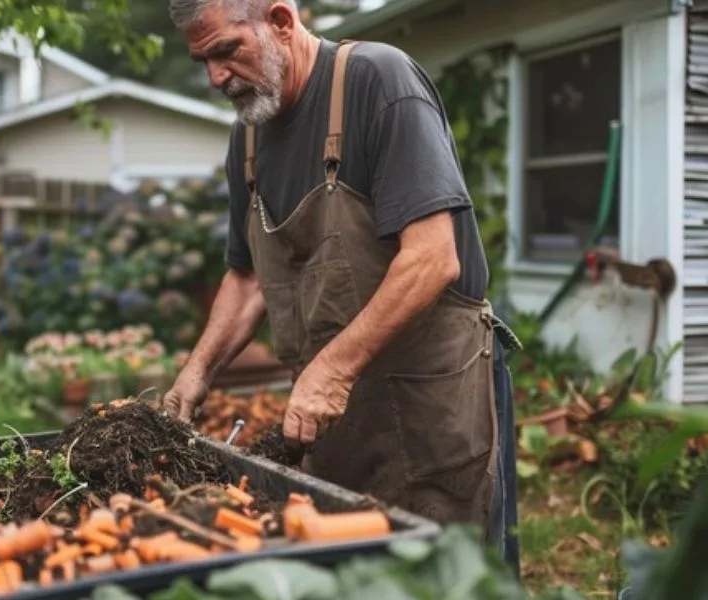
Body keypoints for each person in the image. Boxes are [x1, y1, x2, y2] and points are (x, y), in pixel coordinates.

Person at [161, 0, 521, 570]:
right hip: (336, 415)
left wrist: (331, 369)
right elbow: (248, 276)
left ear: (281, 21)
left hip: (431, 403)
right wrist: (197, 371)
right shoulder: (249, 139)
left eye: (227, 51)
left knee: (449, 574)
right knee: (355, 569)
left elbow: (432, 258)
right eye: (203, 61)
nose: (216, 77)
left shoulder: (377, 81)